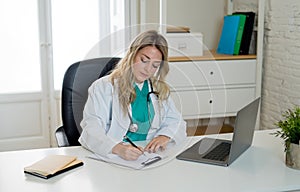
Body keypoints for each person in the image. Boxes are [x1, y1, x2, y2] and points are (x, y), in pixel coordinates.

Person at [79, 30, 187, 161]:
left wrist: (165, 136)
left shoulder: (158, 89)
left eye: (155, 65)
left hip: (149, 156)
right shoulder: (104, 87)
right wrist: (117, 148)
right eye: (144, 60)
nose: (148, 69)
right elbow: (91, 129)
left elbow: (176, 122)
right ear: (132, 55)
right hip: (113, 157)